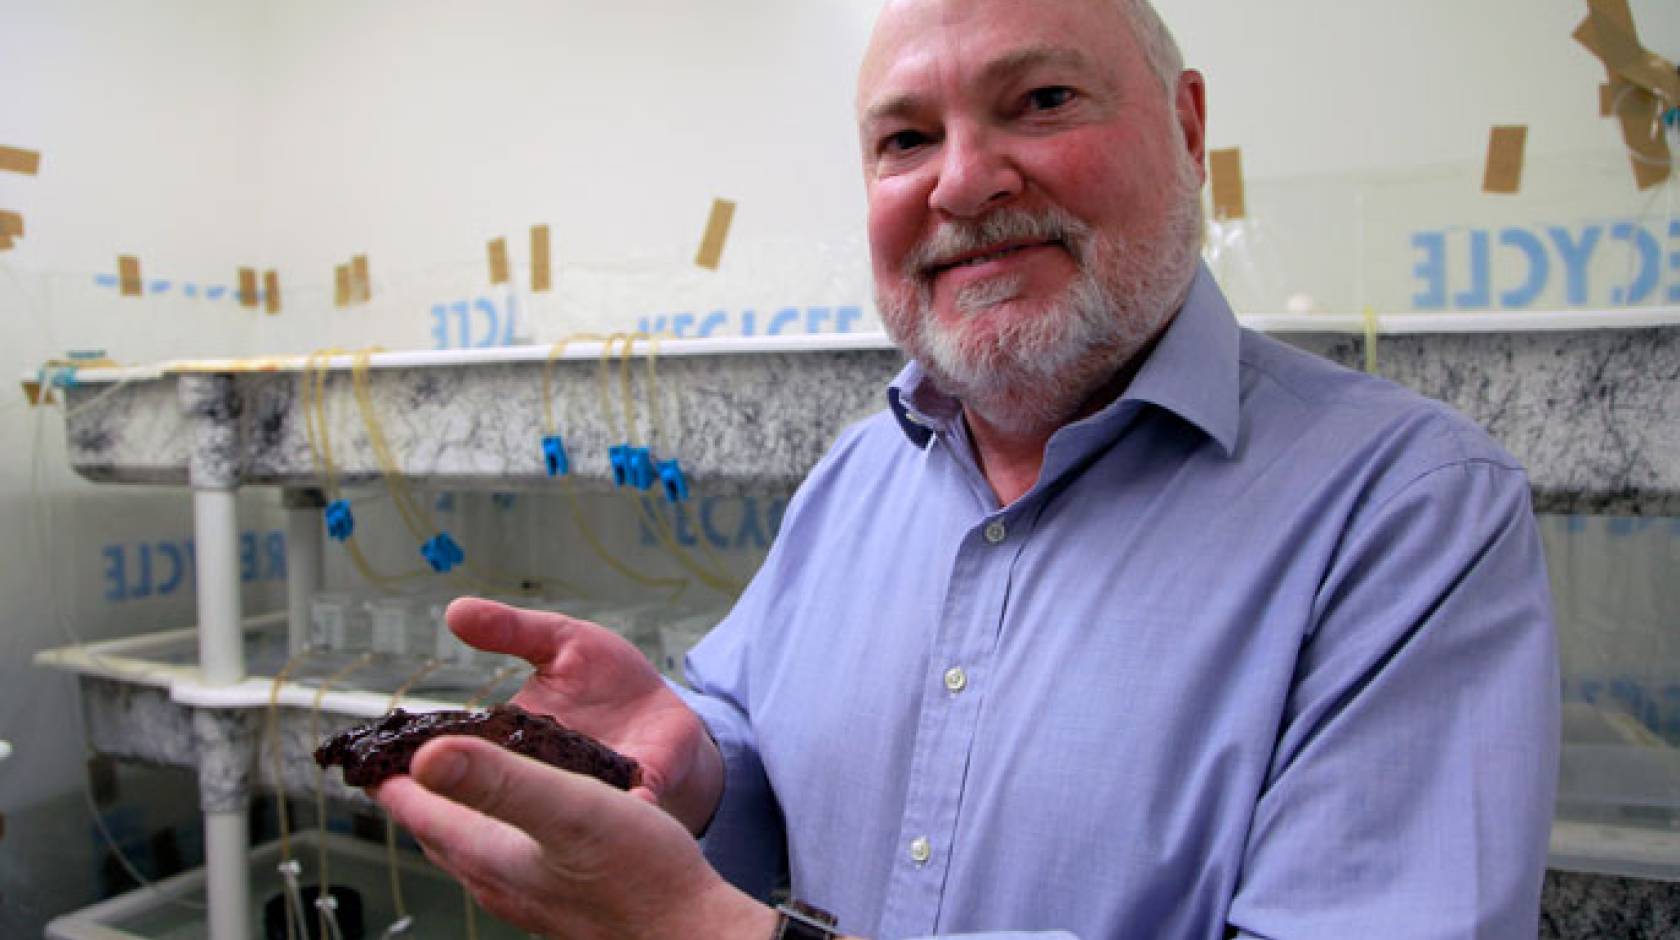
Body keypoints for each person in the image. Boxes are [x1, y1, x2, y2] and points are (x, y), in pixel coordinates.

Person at [374, 0, 1561, 936]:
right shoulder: (858, 474)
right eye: (905, 139)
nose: (960, 181)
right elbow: (769, 757)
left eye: (1040, 101)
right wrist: (692, 768)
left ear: (1188, 129)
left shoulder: (1409, 515)